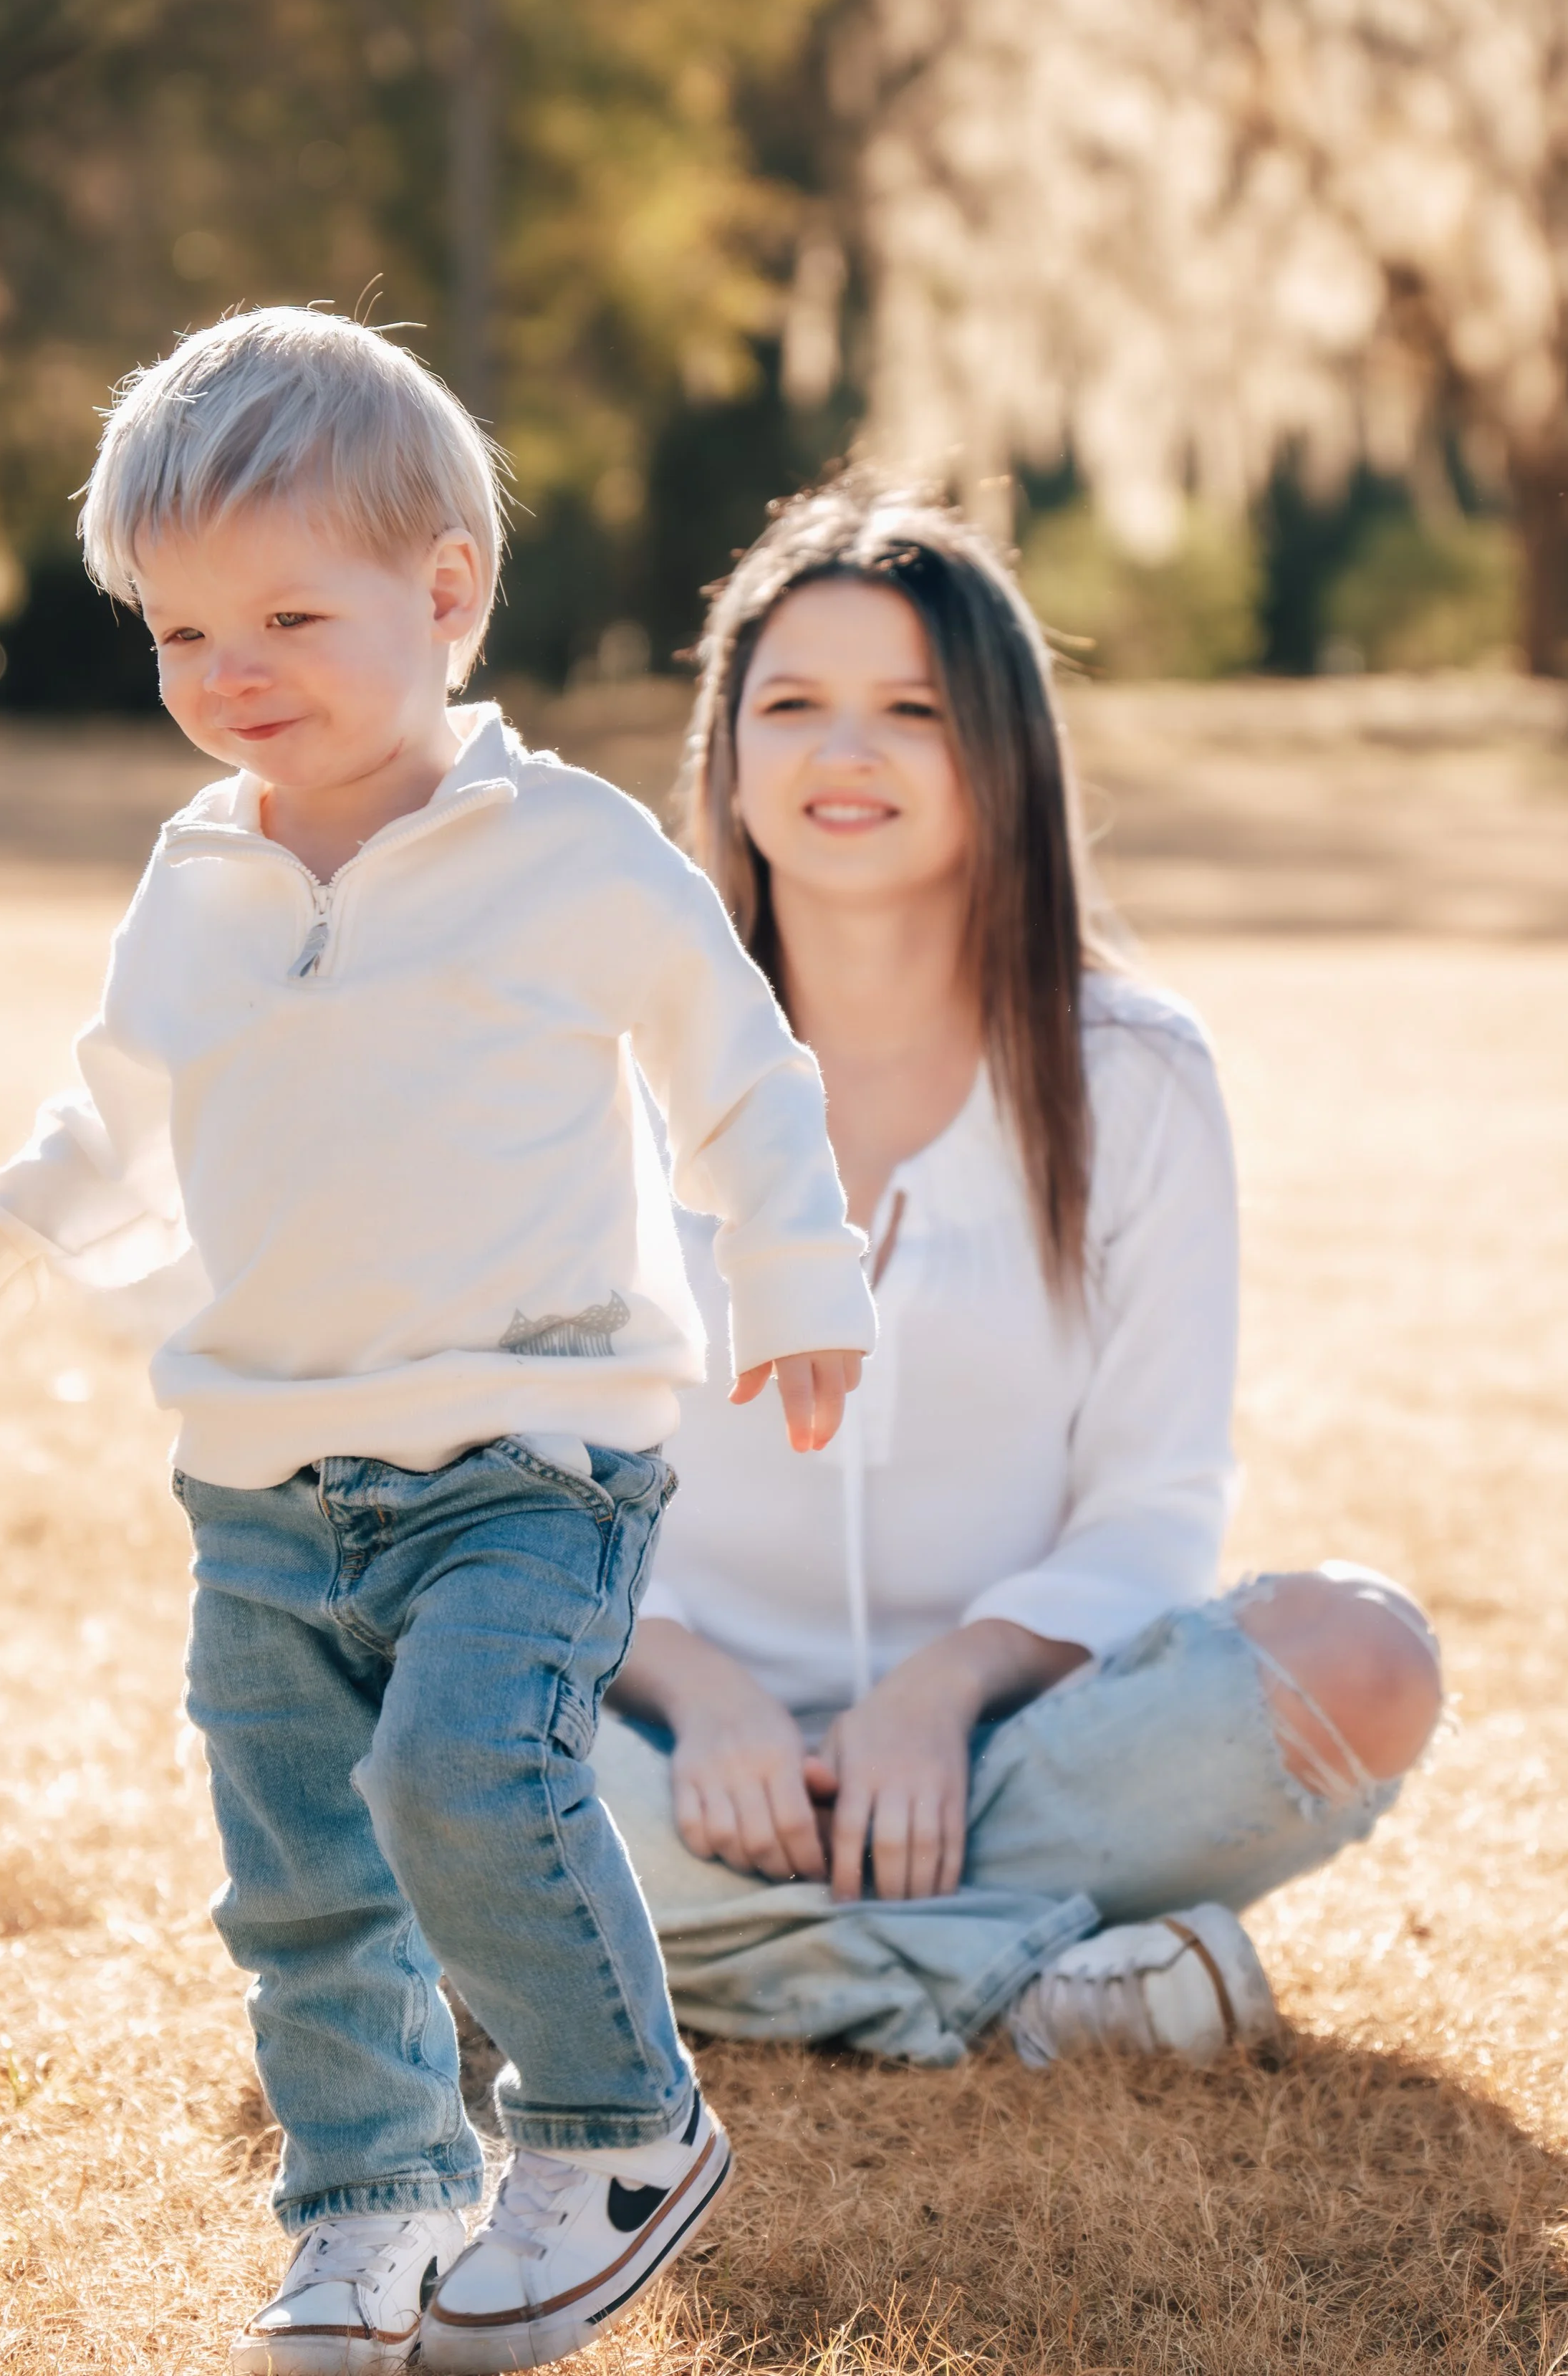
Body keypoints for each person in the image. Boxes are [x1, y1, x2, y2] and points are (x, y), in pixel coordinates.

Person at [0, 311, 876, 2376]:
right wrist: (1, 1245)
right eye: (184, 635)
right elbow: (119, 1122)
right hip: (259, 1477)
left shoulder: (566, 855)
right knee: (298, 1873)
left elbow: (734, 1065)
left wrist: (799, 1273)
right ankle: (369, 2199)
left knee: (464, 1767)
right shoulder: (197, 879)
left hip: (526, 1454)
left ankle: (618, 2128)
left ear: (447, 591)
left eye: (290, 612)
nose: (234, 675)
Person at [597, 473, 1446, 2069]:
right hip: (649, 1744)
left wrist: (942, 1693)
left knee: (1365, 1659)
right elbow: (523, 1471)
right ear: (728, 750)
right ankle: (1023, 1994)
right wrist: (693, 1687)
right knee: (372, 1697)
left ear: (995, 750)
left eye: (907, 709)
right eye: (791, 704)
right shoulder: (600, 1063)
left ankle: (634, 1944)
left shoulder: (1132, 1074)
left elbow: (1151, 1507)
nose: (842, 752)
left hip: (1016, 1756)